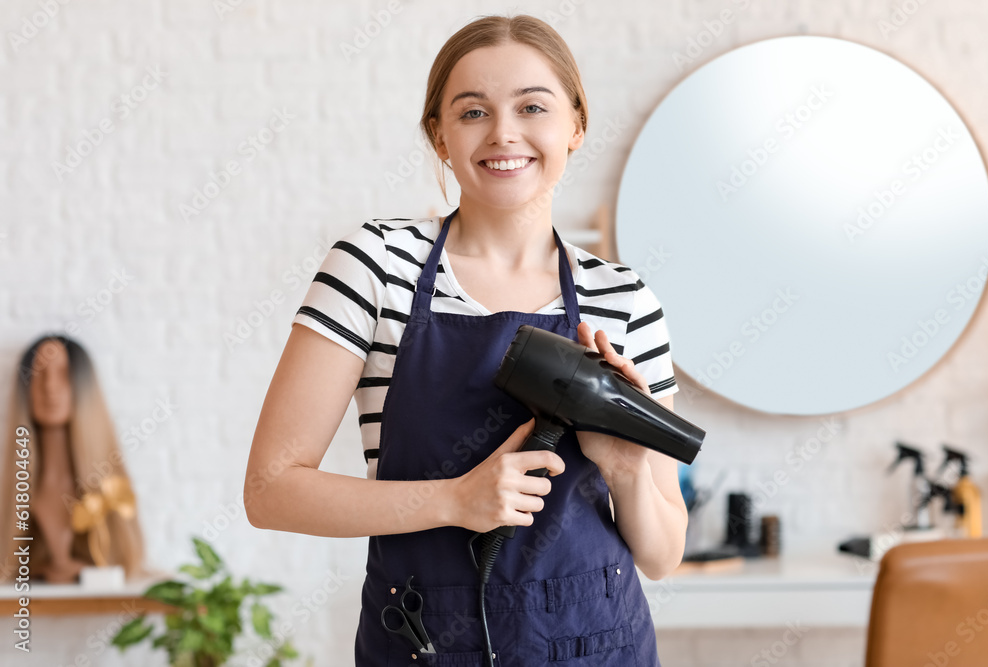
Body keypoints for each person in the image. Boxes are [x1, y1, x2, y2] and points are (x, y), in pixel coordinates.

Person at [245, 13, 687, 665]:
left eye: (532, 106)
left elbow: (663, 552)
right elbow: (270, 489)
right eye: (473, 111)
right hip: (426, 643)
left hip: (599, 645)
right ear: (441, 136)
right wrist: (456, 499)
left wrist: (626, 471)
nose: (504, 134)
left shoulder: (624, 299)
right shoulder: (375, 266)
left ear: (575, 124)